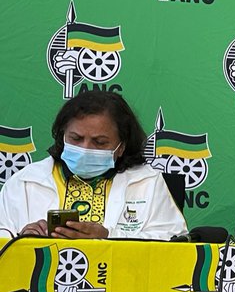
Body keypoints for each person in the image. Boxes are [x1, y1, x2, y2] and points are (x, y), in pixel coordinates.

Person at [0, 91, 188, 240]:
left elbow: (174, 243)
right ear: (62, 136)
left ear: (121, 147)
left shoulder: (147, 182)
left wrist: (108, 237)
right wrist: (20, 241)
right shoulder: (26, 181)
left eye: (99, 142)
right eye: (76, 138)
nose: (85, 148)